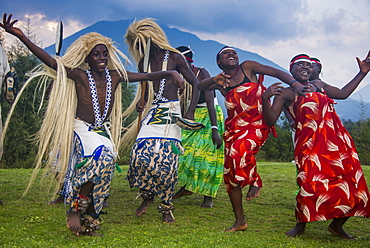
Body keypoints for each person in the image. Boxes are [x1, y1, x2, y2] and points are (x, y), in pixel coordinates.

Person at [0, 13, 183, 236]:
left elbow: (147, 75)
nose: (101, 57)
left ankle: (89, 223)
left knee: (104, 172)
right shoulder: (79, 76)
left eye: (104, 53)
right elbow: (50, 61)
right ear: (88, 58)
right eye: (96, 54)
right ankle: (75, 207)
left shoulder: (115, 76)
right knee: (102, 158)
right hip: (82, 128)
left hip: (100, 130)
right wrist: (20, 37)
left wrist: (172, 72)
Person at [197, 46, 307, 232]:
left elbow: (276, 72)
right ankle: (240, 221)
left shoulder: (247, 68)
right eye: (226, 53)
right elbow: (199, 86)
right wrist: (213, 79)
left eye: (234, 52)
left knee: (239, 150)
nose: (232, 54)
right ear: (218, 62)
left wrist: (294, 83)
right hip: (234, 129)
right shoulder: (221, 81)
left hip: (257, 125)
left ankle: (255, 180)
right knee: (230, 174)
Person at [262, 53, 370, 239]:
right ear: (291, 70)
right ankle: (301, 224)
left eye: (308, 65)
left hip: (337, 142)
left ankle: (337, 225)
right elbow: (271, 120)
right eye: (300, 65)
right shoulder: (286, 93)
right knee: (310, 182)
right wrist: (265, 98)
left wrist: (362, 73)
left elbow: (343, 94)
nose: (305, 67)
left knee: (351, 183)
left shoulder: (320, 86)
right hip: (309, 145)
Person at [123, 18, 199, 223]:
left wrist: (190, 112)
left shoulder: (175, 57)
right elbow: (146, 87)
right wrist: (141, 101)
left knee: (166, 162)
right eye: (136, 44)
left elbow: (196, 84)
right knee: (139, 155)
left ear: (152, 39)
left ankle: (166, 207)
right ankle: (147, 196)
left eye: (142, 42)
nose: (140, 47)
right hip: (154, 111)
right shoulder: (143, 63)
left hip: (171, 111)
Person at [172, 46, 224, 208]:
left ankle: (208, 196)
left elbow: (209, 101)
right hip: (191, 117)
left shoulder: (202, 73)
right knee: (185, 152)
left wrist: (214, 129)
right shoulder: (178, 76)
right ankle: (187, 187)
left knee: (207, 157)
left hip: (210, 115)